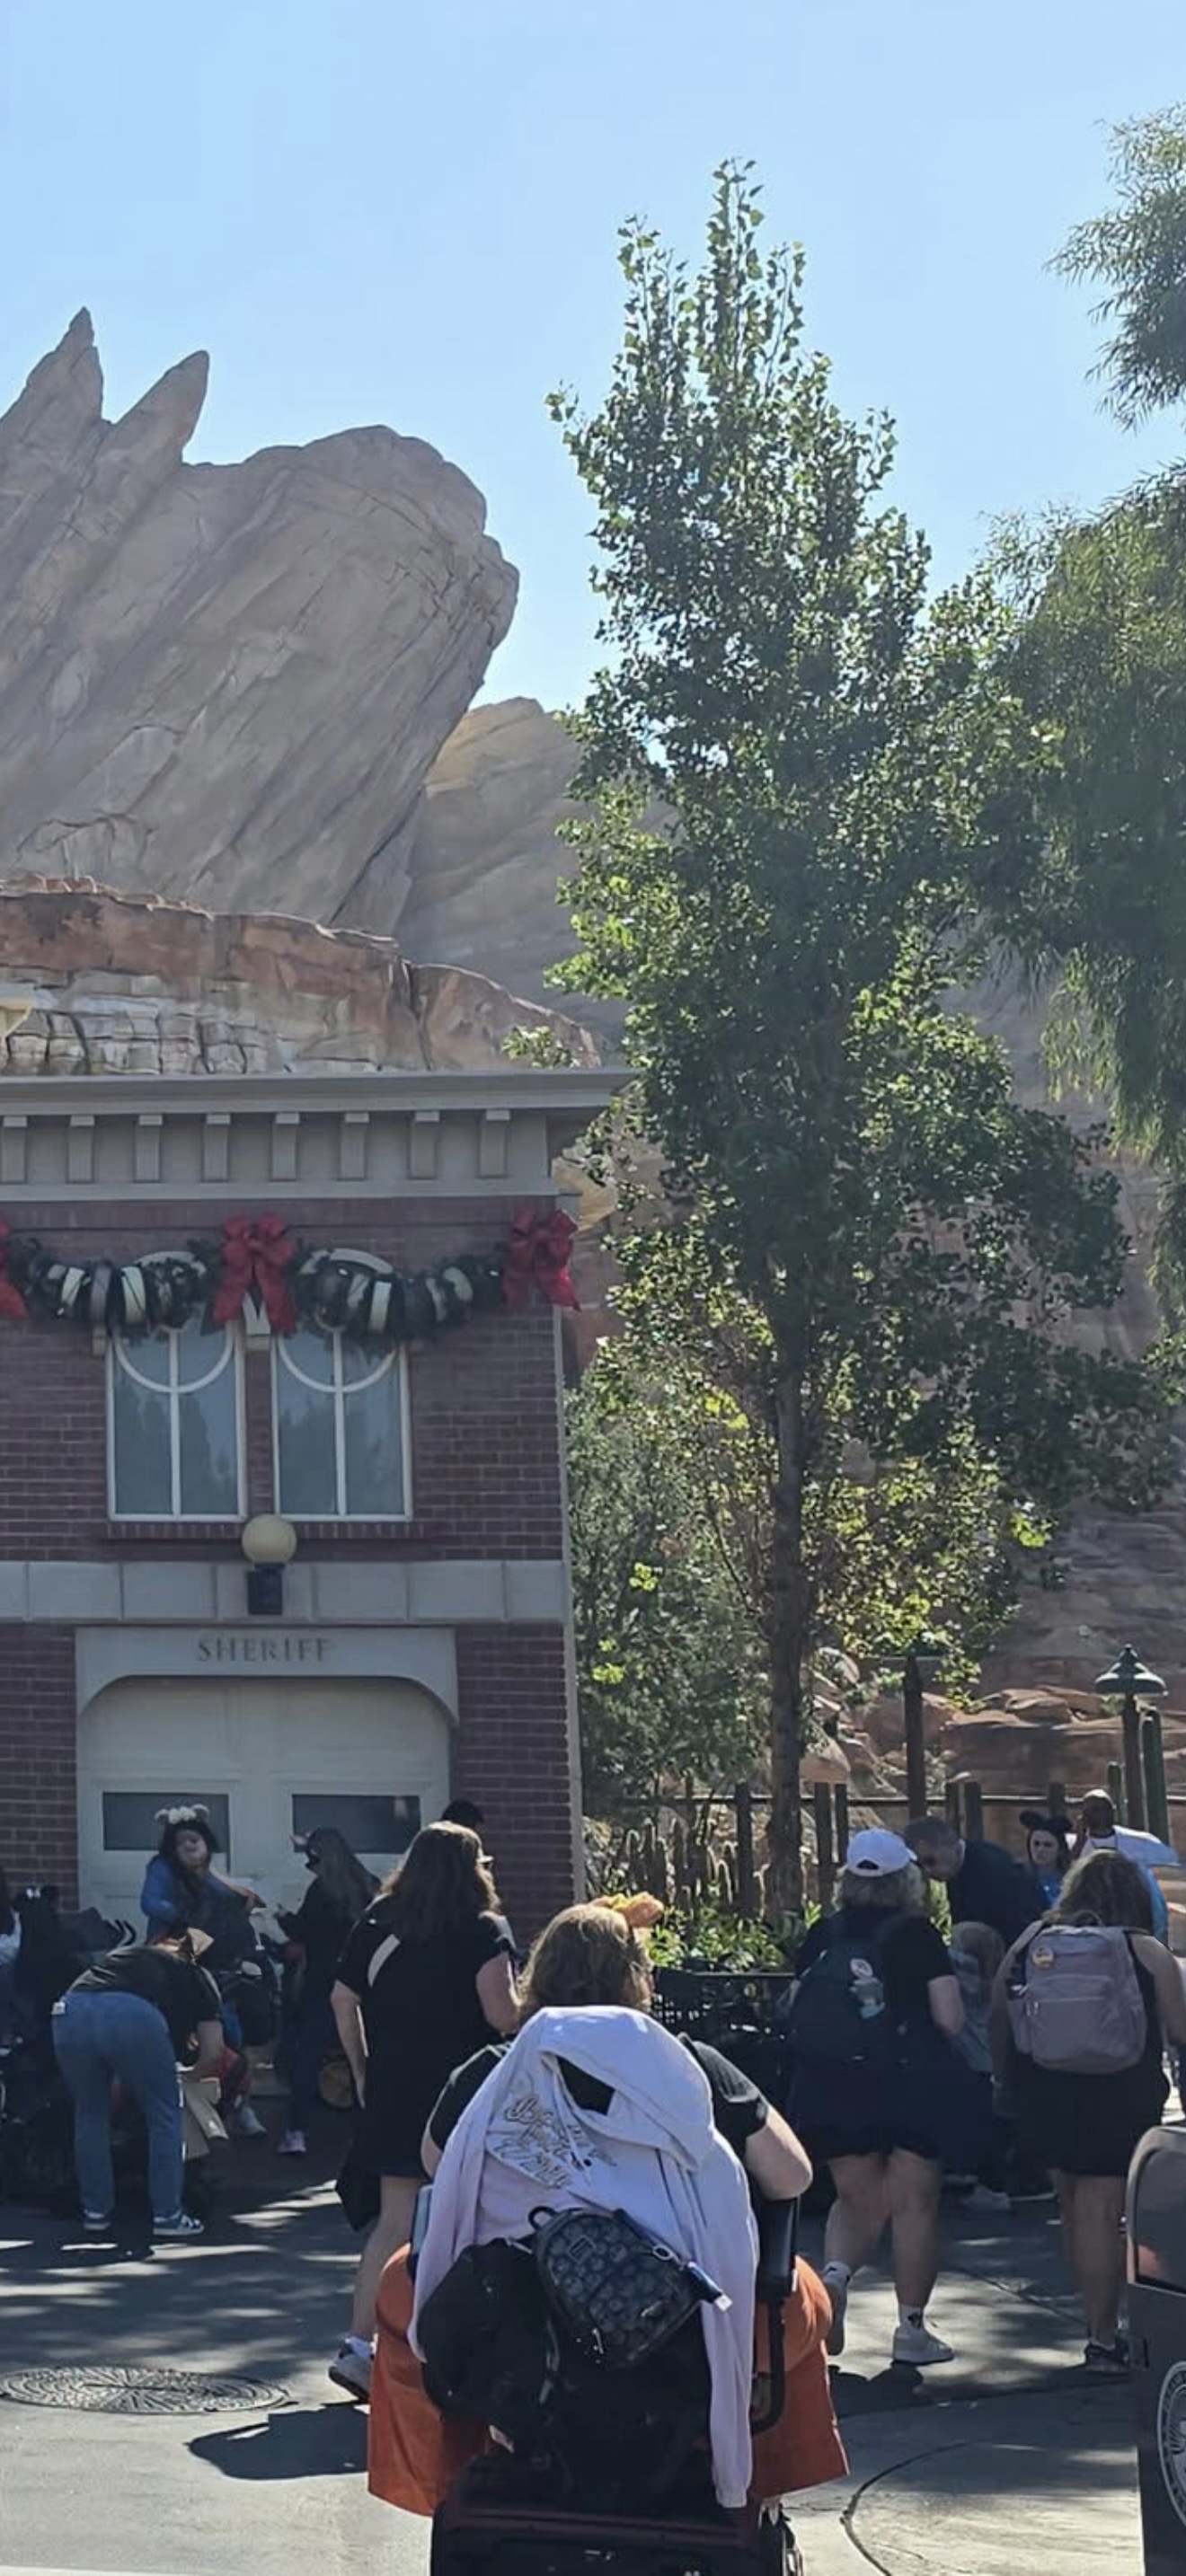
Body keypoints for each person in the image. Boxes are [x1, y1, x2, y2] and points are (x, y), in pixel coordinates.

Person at [367, 1901, 845, 2517]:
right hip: (681, 2319)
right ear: (637, 1979)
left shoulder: (493, 2072)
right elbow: (792, 2176)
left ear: (537, 1977)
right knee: (799, 2298)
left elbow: (438, 2165)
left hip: (520, 2319)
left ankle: (450, 2479)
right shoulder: (692, 2067)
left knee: (397, 2290)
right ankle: (761, 2490)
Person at [328, 1822, 519, 2399]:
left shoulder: (379, 1921)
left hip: (393, 2086)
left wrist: (361, 2067)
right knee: (470, 2217)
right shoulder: (484, 1929)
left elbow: (342, 1997)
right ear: (470, 1869)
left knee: (394, 2221)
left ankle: (358, 2346)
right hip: (462, 2093)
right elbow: (502, 2016)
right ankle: (446, 2350)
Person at [992, 1847, 1186, 2373]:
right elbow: (1178, 2028)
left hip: (1045, 2089)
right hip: (1119, 2092)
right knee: (1103, 2212)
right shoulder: (1145, 1950)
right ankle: (1103, 2337)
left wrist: (1005, 2081)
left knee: (1074, 2208)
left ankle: (1094, 2321)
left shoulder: (1033, 1939)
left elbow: (1000, 2010)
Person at [789, 1828, 972, 2368]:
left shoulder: (824, 1934)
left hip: (835, 2086)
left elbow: (798, 2005)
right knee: (914, 2205)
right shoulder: (917, 1935)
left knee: (856, 2200)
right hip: (910, 2085)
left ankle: (835, 2282)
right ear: (906, 1879)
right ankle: (911, 2329)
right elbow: (950, 2018)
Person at [52, 1927, 224, 2240]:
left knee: (90, 2113)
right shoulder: (198, 1976)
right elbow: (213, 2052)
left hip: (70, 2010)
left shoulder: (128, 1956)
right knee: (165, 2113)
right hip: (131, 2017)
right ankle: (168, 2216)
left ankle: (95, 2212)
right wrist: (189, 2075)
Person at [141, 1805, 269, 2136]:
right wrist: (182, 1914)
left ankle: (239, 2102)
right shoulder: (161, 1868)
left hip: (213, 1958)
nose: (188, 1846)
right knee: (173, 2028)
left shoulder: (207, 1873)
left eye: (193, 1839)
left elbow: (226, 1895)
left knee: (230, 2028)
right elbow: (150, 1902)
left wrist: (245, 1898)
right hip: (173, 1953)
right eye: (180, 1841)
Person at [276, 1827, 376, 2157]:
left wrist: (281, 1917)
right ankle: (367, 2130)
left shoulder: (321, 1891)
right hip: (363, 1984)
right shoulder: (369, 1885)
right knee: (363, 2059)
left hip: (323, 1983)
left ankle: (296, 2131)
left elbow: (301, 1930)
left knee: (308, 2055)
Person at [907, 1816, 1037, 1949]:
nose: (927, 1871)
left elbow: (1016, 1925)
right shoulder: (956, 1869)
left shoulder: (993, 1868)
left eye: (930, 1861)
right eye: (920, 1866)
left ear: (949, 1845)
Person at [1072, 1790, 1173, 1941]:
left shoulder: (1142, 1841)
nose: (1101, 1814)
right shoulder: (1073, 1846)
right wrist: (1080, 1840)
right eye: (1094, 1809)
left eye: (1106, 1808)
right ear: (1083, 1815)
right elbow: (1067, 1875)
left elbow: (1168, 1868)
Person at [1020, 1812, 1072, 1910]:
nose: (1040, 1849)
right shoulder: (1019, 1877)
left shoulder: (1071, 1880)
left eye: (1047, 1845)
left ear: (1060, 1850)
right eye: (1036, 1844)